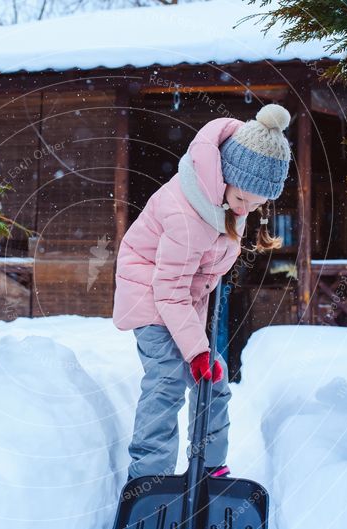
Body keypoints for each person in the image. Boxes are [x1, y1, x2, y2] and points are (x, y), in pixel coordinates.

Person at [112, 103, 291, 482]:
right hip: (151, 293)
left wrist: (202, 353)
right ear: (225, 173)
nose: (246, 210)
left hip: (180, 301)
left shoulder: (228, 201)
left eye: (257, 206)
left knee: (215, 379)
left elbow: (199, 276)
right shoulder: (186, 214)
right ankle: (148, 478)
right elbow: (170, 290)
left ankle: (208, 468)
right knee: (168, 379)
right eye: (243, 200)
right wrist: (196, 351)